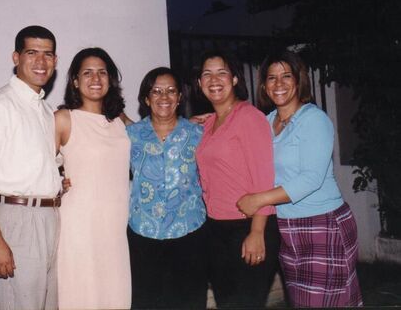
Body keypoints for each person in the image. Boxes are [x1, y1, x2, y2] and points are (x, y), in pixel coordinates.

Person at [237, 49, 363, 308]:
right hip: (287, 228)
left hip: (323, 224)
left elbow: (311, 179)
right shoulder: (266, 121)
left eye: (286, 76)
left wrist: (257, 200)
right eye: (271, 78)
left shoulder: (314, 120)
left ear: (298, 81)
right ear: (263, 85)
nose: (279, 84)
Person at [0, 25, 62, 310]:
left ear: (55, 62)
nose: (41, 61)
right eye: (32, 53)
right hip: (17, 222)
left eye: (47, 54)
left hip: (51, 220)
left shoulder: (46, 112)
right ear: (16, 57)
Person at [195, 49, 280, 308]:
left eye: (222, 73)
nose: (214, 80)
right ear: (199, 84)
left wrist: (257, 232)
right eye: (207, 74)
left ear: (234, 80)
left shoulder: (249, 117)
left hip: (247, 227)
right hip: (216, 230)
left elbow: (264, 177)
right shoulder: (209, 124)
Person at [55, 47, 131, 309]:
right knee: (82, 295)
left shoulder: (119, 120)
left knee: (114, 294)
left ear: (110, 79)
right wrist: (56, 183)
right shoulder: (65, 119)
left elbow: (155, 140)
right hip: (79, 226)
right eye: (87, 73)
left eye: (102, 72)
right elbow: (36, 164)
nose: (95, 78)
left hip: (115, 226)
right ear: (75, 81)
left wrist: (192, 124)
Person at [126, 67, 207, 309]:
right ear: (146, 98)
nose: (164, 97)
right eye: (157, 91)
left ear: (180, 97)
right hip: (143, 235)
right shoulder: (130, 135)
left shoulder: (197, 133)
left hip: (189, 233)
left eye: (171, 91)